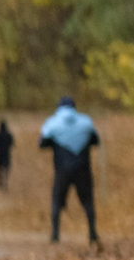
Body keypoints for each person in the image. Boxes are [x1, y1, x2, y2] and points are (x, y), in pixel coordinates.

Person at [39, 95, 100, 245]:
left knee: (56, 200)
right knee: (88, 201)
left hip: (62, 170)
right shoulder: (86, 122)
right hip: (83, 169)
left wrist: (57, 143)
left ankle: (55, 235)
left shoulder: (52, 123)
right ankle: (92, 233)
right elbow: (96, 140)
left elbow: (42, 143)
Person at [0, 117, 15, 191]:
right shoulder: (8, 135)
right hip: (7, 153)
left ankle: (0, 181)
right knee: (7, 168)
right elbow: (12, 143)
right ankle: (5, 182)